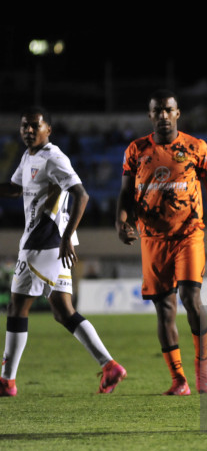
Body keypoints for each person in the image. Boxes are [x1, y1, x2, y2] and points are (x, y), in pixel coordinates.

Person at [116, 90, 207, 396]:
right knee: (165, 310)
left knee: (189, 296)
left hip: (189, 232)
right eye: (157, 111)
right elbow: (126, 193)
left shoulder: (196, 147)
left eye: (168, 110)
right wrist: (122, 220)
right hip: (153, 237)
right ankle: (179, 379)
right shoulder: (136, 150)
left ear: (177, 113)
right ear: (150, 116)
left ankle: (202, 364)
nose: (162, 115)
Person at [0, 107, 127, 396]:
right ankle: (109, 366)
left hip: (44, 243)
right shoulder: (29, 156)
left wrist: (67, 237)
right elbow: (14, 188)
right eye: (24, 126)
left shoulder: (53, 157)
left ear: (48, 130)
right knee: (62, 310)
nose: (28, 131)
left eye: (34, 126)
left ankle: (7, 381)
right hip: (51, 244)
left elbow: (81, 193)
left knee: (17, 308)